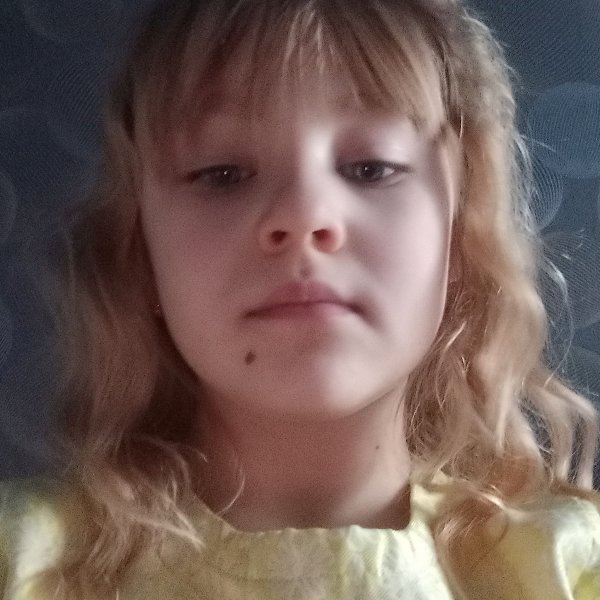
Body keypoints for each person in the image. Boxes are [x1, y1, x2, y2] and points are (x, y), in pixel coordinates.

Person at [1, 0, 599, 597]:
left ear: (461, 239)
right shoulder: (22, 563)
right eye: (223, 173)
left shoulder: (566, 568)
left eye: (371, 167)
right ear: (140, 253)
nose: (303, 214)